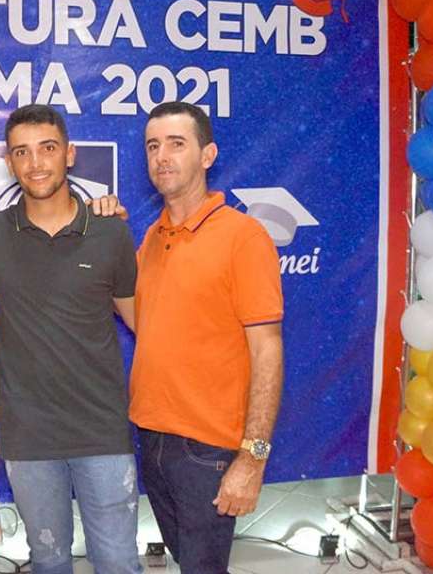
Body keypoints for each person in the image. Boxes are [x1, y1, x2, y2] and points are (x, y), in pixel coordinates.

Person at [0, 104, 143, 574]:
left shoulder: (109, 231)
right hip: (28, 434)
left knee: (119, 561)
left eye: (47, 148)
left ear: (69, 154)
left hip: (102, 428)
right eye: (21, 152)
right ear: (9, 162)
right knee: (48, 560)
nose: (35, 163)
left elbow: (143, 323)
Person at [130, 101, 284, 574]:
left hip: (208, 449)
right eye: (153, 146)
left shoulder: (243, 236)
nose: (162, 156)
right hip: (152, 437)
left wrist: (253, 458)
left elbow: (267, 350)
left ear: (208, 154)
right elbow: (146, 321)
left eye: (177, 144)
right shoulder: (151, 239)